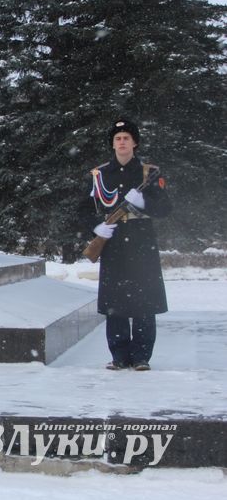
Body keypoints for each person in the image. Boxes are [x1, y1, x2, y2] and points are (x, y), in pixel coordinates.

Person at [86, 120, 171, 371]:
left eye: (126, 138)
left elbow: (165, 208)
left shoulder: (149, 173)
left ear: (134, 143)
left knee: (144, 299)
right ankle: (119, 356)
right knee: (115, 301)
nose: (122, 142)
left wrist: (143, 202)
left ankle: (142, 355)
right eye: (118, 138)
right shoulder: (100, 174)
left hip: (141, 241)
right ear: (113, 144)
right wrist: (96, 227)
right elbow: (83, 209)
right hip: (113, 242)